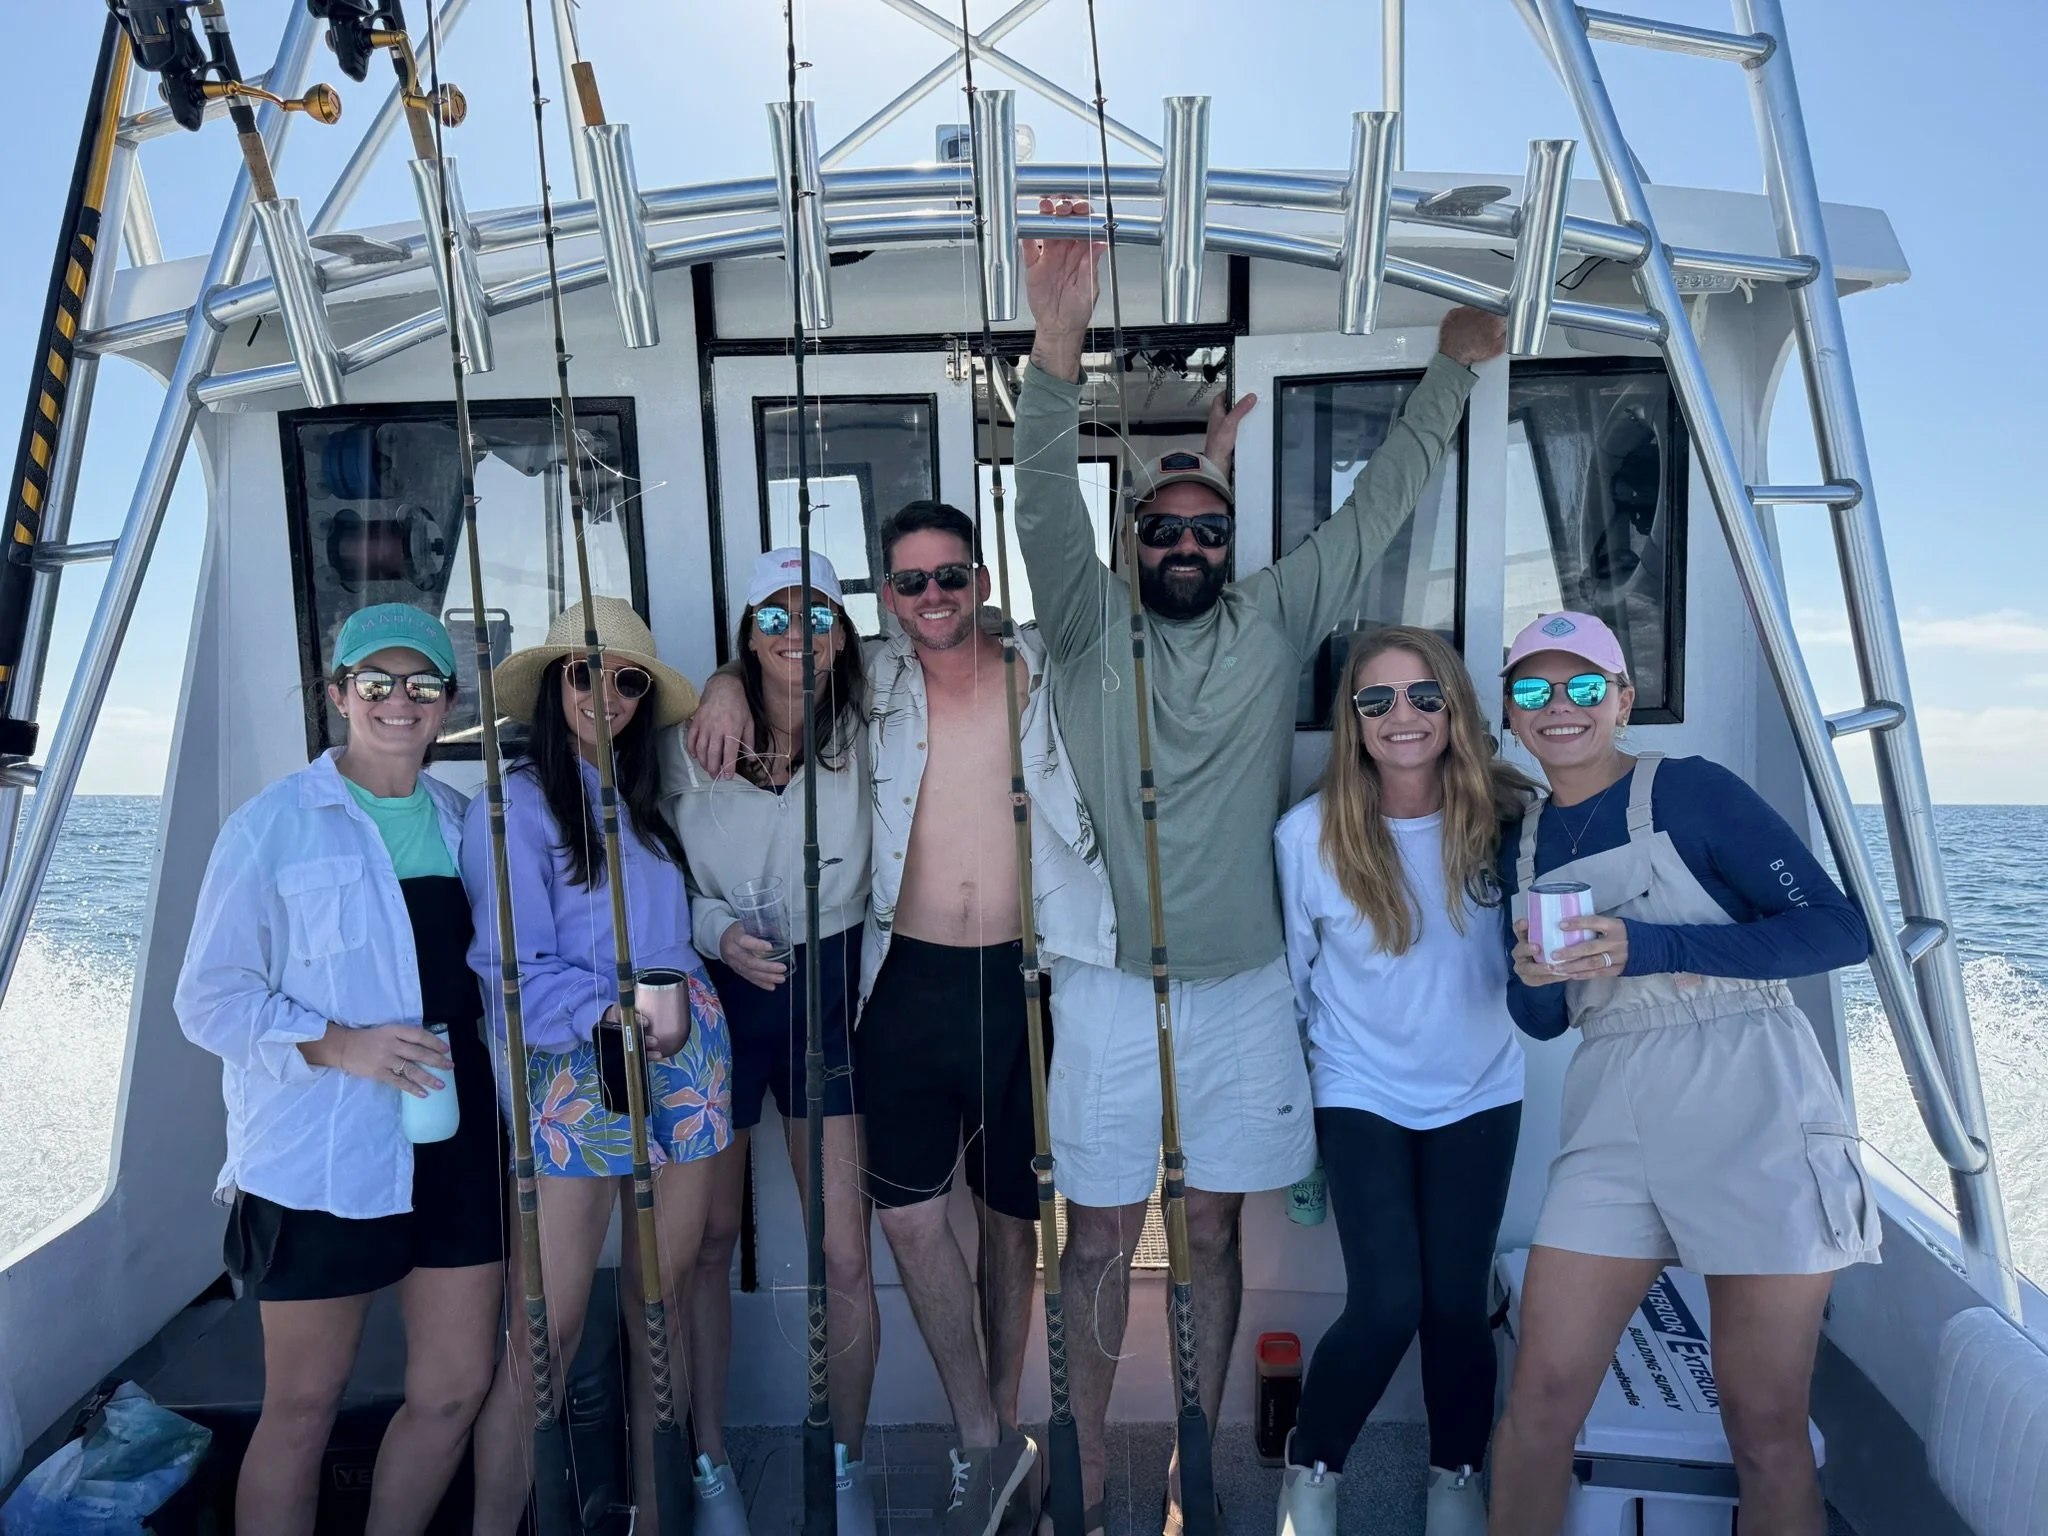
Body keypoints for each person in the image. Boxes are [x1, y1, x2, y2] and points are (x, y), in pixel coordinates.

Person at [1014, 196, 1507, 1534]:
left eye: (1207, 528)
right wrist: (1057, 340)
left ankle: (1192, 1464)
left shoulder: (1278, 617)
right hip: (1108, 987)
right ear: (1132, 547)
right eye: (1164, 529)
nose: (1185, 544)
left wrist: (1456, 365)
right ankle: (1075, 1459)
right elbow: (1043, 486)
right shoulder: (1079, 623)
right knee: (1103, 1238)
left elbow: (1384, 498)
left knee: (1218, 1231)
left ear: (1233, 546)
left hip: (1242, 989)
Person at [682, 524, 1115, 1536]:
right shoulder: (868, 678)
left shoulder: (1043, 662)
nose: (932, 593)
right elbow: (784, 656)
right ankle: (980, 1437)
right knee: (911, 1220)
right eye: (910, 579)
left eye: (950, 575)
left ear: (980, 580)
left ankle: (1001, 1441)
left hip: (1026, 978)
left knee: (1013, 1224)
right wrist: (721, 680)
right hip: (906, 978)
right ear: (886, 593)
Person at [1485, 610, 1878, 1536]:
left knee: (1765, 1422)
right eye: (1533, 689)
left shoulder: (1692, 792)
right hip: (1610, 1112)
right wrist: (1533, 980)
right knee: (1539, 1403)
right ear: (1510, 712)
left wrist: (1651, 943)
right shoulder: (1524, 842)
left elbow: (1837, 929)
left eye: (1584, 685)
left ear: (1622, 698)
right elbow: (1539, 1023)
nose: (1560, 707)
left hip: (1753, 1097)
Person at [176, 604, 505, 1536]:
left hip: (456, 1141)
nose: (399, 702)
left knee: (453, 1394)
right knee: (302, 1411)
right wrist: (338, 1043)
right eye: (375, 684)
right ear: (338, 697)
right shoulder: (269, 825)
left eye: (423, 685)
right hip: (318, 1156)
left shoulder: (467, 824)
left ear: (448, 706)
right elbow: (209, 1001)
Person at [464, 596, 733, 1535]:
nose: (608, 694)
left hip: (683, 1056)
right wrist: (605, 1012)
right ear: (552, 683)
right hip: (571, 1070)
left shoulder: (648, 804)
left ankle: (658, 1522)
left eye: (628, 680)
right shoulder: (514, 805)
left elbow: (679, 928)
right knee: (547, 1336)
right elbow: (507, 973)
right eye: (587, 672)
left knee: (659, 1312)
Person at [1272, 627, 1533, 1536]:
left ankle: (1455, 1477)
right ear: (1353, 721)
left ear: (1455, 704)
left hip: (1482, 1092)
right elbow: (1297, 984)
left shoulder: (1512, 818)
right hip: (1360, 1090)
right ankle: (1312, 1469)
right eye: (1377, 701)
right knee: (1388, 1303)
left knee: (1457, 1307)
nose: (1403, 717)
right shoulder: (1306, 836)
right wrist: (1303, 1127)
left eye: (1424, 696)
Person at [662, 549, 881, 1536]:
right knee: (704, 1246)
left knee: (844, 1253)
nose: (799, 635)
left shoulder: (876, 728)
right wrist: (714, 935)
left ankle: (841, 1462)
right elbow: (648, 875)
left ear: (845, 632)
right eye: (775, 617)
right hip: (713, 1000)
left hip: (825, 998)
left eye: (820, 615)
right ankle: (708, 1463)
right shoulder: (683, 742)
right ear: (747, 633)